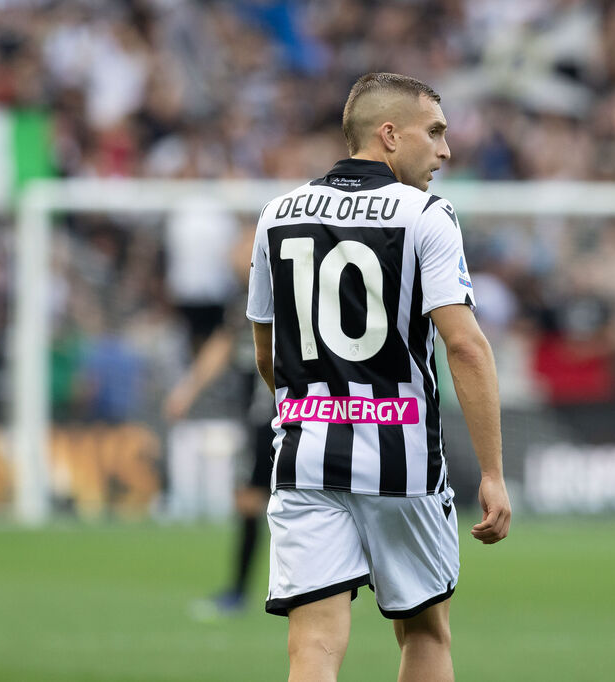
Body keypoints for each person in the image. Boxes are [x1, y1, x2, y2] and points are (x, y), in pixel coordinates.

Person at [246, 72, 510, 682]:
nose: (445, 150)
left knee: (311, 647)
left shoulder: (276, 215)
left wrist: (310, 417)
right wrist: (492, 472)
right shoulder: (427, 215)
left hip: (306, 457)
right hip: (402, 458)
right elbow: (465, 348)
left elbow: (269, 355)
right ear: (389, 135)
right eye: (435, 133)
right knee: (424, 632)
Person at [163, 226, 276, 615]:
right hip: (258, 414)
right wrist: (186, 391)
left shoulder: (282, 285)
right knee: (262, 499)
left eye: (241, 243)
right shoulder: (241, 299)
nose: (231, 253)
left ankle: (241, 593)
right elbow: (222, 346)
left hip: (274, 412)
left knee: (255, 498)